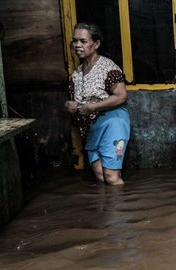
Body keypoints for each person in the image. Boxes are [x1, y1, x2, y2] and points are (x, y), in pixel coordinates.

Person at [64, 22, 130, 186]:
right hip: (91, 130)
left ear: (96, 44)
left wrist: (93, 107)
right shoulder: (77, 74)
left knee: (111, 177)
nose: (77, 45)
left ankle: (126, 210)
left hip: (112, 123)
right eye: (75, 41)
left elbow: (121, 96)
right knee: (100, 176)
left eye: (83, 41)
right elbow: (77, 102)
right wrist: (70, 106)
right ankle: (109, 209)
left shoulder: (108, 68)